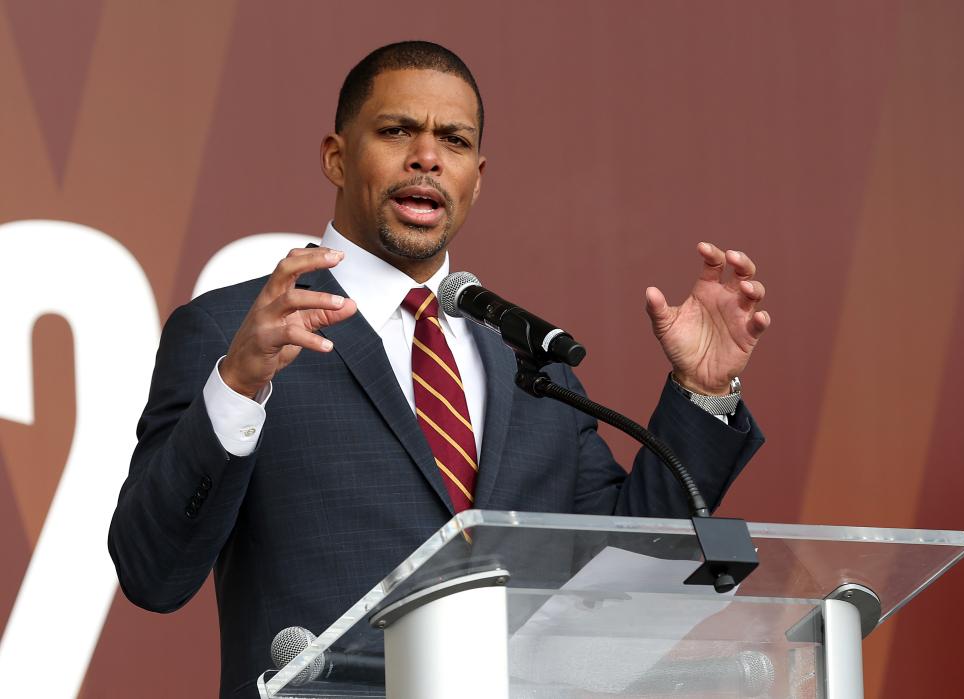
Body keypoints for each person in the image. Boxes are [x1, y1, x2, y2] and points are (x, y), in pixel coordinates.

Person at [109, 41, 768, 698]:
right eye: (397, 130)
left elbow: (625, 564)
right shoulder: (236, 331)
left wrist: (701, 392)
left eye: (452, 140)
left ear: (475, 178)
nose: (426, 156)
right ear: (336, 158)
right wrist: (239, 385)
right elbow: (153, 571)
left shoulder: (530, 364)